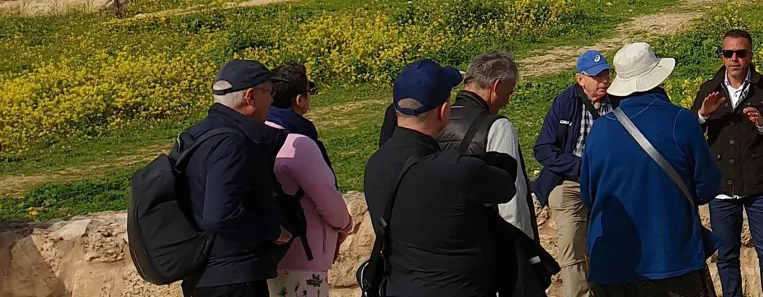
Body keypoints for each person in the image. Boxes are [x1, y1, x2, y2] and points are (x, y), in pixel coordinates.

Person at [364, 59, 519, 297]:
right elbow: (505, 185)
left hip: (400, 288)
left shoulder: (376, 165)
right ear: (443, 111)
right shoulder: (456, 170)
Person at [580, 43, 721, 296]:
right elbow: (708, 186)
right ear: (658, 78)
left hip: (612, 260)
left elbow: (589, 195)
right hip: (669, 254)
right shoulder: (681, 121)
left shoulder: (600, 129)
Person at [692, 29, 763, 297]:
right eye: (728, 53)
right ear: (722, 57)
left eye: (740, 53)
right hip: (722, 186)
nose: (734, 59)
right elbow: (689, 132)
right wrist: (702, 115)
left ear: (750, 55)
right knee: (726, 255)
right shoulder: (709, 89)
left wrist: (762, 123)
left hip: (758, 184)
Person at [180, 60, 291, 297]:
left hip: (205, 273)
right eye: (269, 92)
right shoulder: (231, 142)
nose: (272, 101)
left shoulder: (197, 134)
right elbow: (220, 215)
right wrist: (273, 231)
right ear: (251, 97)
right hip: (231, 279)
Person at [532, 50, 619, 297]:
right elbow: (543, 148)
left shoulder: (617, 101)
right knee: (571, 241)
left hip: (608, 182)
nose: (603, 80)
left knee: (610, 241)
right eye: (597, 76)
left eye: (605, 74)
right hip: (569, 182)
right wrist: (580, 167)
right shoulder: (565, 102)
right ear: (581, 79)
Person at [265, 63, 353, 297]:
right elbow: (326, 197)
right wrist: (345, 225)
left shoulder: (258, 133)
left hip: (267, 251)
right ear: (300, 100)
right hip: (304, 252)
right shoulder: (300, 144)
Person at [437, 52, 536, 240]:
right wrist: (523, 251)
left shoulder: (436, 119)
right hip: (485, 242)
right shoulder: (497, 127)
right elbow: (511, 203)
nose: (507, 101)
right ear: (497, 87)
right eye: (509, 92)